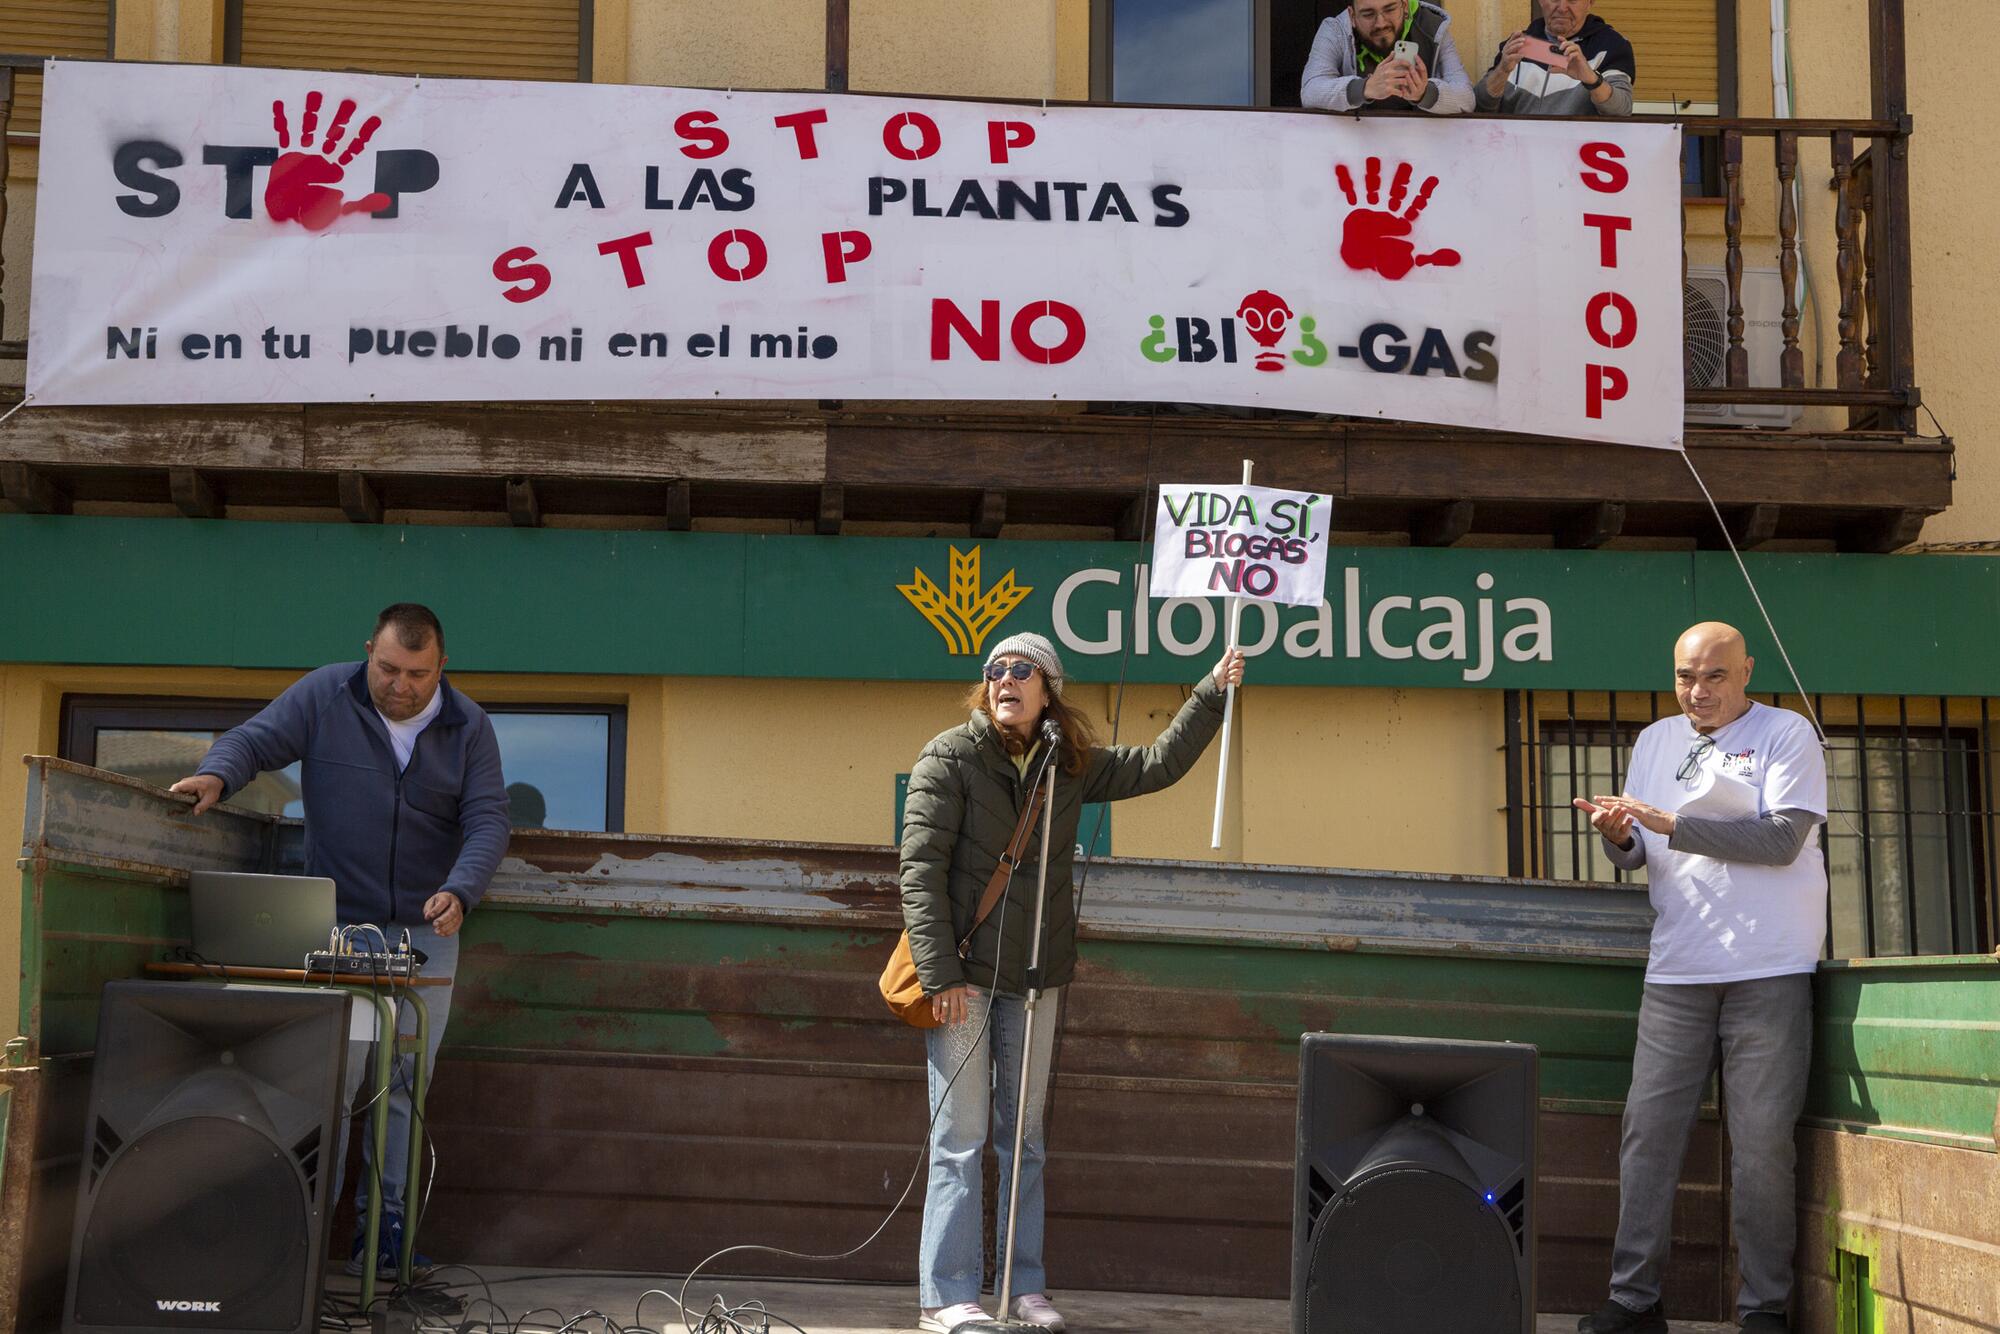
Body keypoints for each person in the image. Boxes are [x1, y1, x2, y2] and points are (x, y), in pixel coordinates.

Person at [900, 632, 1246, 1333]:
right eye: (994, 669)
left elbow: (1159, 764)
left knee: (1023, 1140)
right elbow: (919, 873)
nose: (1004, 678)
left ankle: (1023, 1287)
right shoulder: (949, 757)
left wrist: (1211, 693)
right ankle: (948, 1296)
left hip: (1036, 979)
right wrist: (939, 975)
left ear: (1048, 687)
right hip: (962, 980)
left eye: (1020, 669)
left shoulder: (1072, 762)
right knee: (960, 1140)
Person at [170, 603, 509, 1280]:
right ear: (367, 654)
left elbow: (488, 819)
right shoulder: (325, 693)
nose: (399, 684)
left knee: (406, 1083)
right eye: (387, 667)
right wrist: (218, 772)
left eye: (416, 672)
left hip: (425, 934)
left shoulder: (469, 726)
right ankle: (297, 1234)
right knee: (332, 1080)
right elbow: (254, 739)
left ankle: (382, 1238)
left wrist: (461, 889)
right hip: (337, 928)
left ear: (442, 667)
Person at [1570, 623, 1827, 1334]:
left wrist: (1670, 823)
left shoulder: (1787, 734)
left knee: (1763, 1143)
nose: (1698, 690)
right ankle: (1634, 1300)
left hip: (1769, 965)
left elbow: (1781, 841)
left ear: (1746, 671)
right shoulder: (1654, 741)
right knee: (1647, 1134)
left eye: (1714, 675)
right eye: (1686, 676)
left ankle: (1764, 1309)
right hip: (1677, 967)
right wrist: (1622, 836)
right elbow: (1642, 853)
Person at [1301, 0, 1475, 114]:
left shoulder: (1433, 28)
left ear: (1405, 6)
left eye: (1390, 9)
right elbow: (1310, 92)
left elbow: (1466, 99)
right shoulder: (1335, 29)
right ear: (1352, 16)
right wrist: (1365, 88)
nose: (1381, 23)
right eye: (1368, 14)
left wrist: (1424, 93)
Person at [1476, 0, 1634, 117]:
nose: (1562, 8)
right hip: (1518, 154)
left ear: (1589, 2)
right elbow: (1480, 106)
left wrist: (1591, 79)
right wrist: (1502, 72)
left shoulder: (1612, 45)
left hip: (1578, 155)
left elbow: (1621, 111)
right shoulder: (1519, 44)